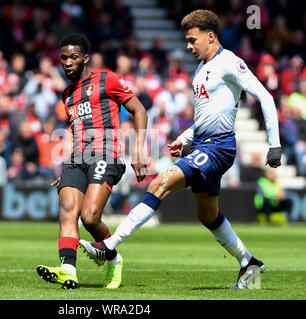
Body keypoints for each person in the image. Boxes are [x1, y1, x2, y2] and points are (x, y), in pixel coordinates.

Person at [79, 10, 282, 290]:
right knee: (207, 215)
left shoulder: (229, 62)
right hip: (201, 144)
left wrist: (274, 144)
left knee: (160, 183)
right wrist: (185, 138)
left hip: (218, 147)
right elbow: (205, 117)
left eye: (192, 39)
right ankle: (249, 262)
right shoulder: (200, 70)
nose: (188, 46)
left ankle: (109, 246)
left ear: (210, 37)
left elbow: (265, 97)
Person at [36, 33, 148, 290]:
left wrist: (140, 152)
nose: (67, 62)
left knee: (89, 217)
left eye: (73, 57)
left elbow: (139, 110)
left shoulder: (106, 80)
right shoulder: (67, 95)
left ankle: (113, 256)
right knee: (66, 212)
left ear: (85, 58)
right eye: (63, 57)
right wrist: (66, 166)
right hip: (76, 159)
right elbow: (75, 130)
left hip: (105, 154)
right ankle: (68, 269)